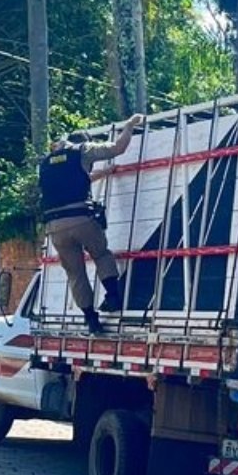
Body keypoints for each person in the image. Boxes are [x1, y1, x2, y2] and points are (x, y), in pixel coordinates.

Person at [38, 113, 145, 335]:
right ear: (84, 141)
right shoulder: (83, 150)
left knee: (75, 273)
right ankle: (112, 296)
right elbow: (118, 148)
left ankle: (91, 320)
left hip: (55, 226)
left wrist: (103, 173)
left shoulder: (47, 161)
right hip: (81, 218)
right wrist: (129, 125)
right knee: (101, 254)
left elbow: (77, 178)